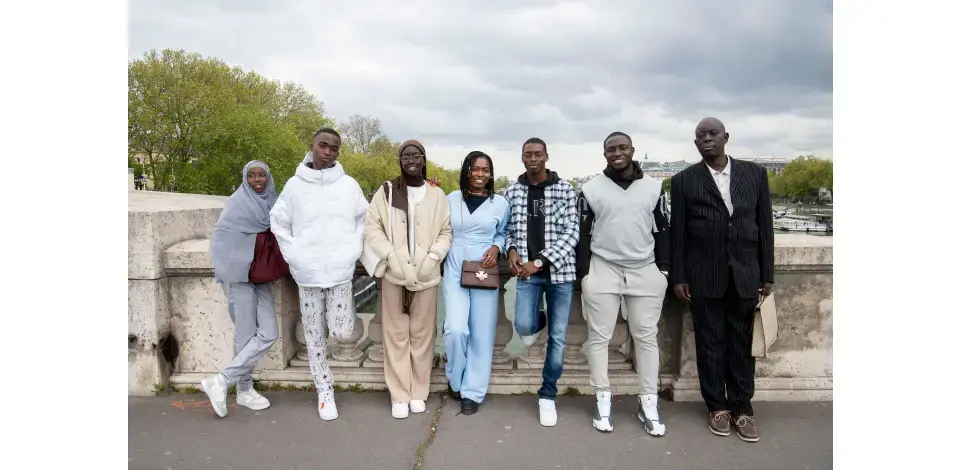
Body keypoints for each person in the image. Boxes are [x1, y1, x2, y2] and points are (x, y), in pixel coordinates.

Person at [670, 117, 774, 442]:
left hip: (745, 273)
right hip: (703, 275)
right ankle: (717, 406)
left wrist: (767, 273)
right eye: (700, 136)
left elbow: (765, 226)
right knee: (709, 343)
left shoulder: (755, 174)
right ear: (695, 143)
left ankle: (743, 407)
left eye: (712, 134)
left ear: (726, 137)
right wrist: (680, 276)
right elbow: (679, 235)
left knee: (742, 345)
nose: (706, 139)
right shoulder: (684, 180)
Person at [269, 128, 369, 421]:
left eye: (334, 148)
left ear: (338, 152)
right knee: (314, 337)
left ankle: (327, 378)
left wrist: (352, 249)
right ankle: (325, 391)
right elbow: (279, 222)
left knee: (341, 331)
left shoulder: (349, 185)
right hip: (308, 273)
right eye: (323, 145)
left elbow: (364, 220)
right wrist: (295, 255)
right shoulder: (294, 186)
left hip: (340, 271)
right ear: (312, 146)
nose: (327, 151)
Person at [576, 132, 671, 435]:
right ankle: (602, 398)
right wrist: (584, 275)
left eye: (622, 148)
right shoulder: (590, 189)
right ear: (604, 153)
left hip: (645, 269)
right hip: (603, 267)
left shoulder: (654, 188)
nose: (616, 153)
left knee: (646, 337)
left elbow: (664, 230)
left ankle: (648, 402)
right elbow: (583, 234)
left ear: (632, 150)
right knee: (598, 338)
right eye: (610, 149)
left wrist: (665, 271)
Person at [364, 139, 452, 419]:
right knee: (396, 335)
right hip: (395, 275)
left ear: (424, 159)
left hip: (426, 275)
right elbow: (372, 227)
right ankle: (399, 393)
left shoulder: (437, 195)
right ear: (400, 160)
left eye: (416, 155)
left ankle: (419, 391)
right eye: (406, 156)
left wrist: (433, 258)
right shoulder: (387, 192)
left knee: (423, 336)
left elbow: (446, 231)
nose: (411, 160)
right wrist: (390, 256)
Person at [503, 137, 579, 427]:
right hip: (525, 273)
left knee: (558, 340)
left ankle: (547, 394)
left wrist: (540, 261)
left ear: (546, 156)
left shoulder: (565, 190)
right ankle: (540, 319)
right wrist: (511, 251)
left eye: (537, 154)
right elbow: (507, 229)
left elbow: (572, 233)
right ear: (522, 158)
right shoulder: (512, 191)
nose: (532, 158)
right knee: (523, 325)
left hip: (559, 273)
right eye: (527, 154)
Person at [202, 160, 281, 418]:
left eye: (262, 175)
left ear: (269, 178)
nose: (257, 180)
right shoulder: (237, 203)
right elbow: (222, 240)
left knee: (269, 332)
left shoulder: (272, 201)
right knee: (245, 334)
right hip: (238, 275)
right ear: (244, 179)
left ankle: (222, 381)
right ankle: (244, 390)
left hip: (259, 275)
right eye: (251, 176)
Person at [442, 151, 510, 415]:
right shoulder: (450, 199)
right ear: (466, 171)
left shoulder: (500, 203)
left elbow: (504, 232)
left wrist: (496, 246)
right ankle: (455, 379)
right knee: (456, 329)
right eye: (475, 169)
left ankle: (473, 391)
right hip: (455, 264)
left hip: (485, 267)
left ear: (491, 174)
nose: (480, 174)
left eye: (485, 170)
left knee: (481, 333)